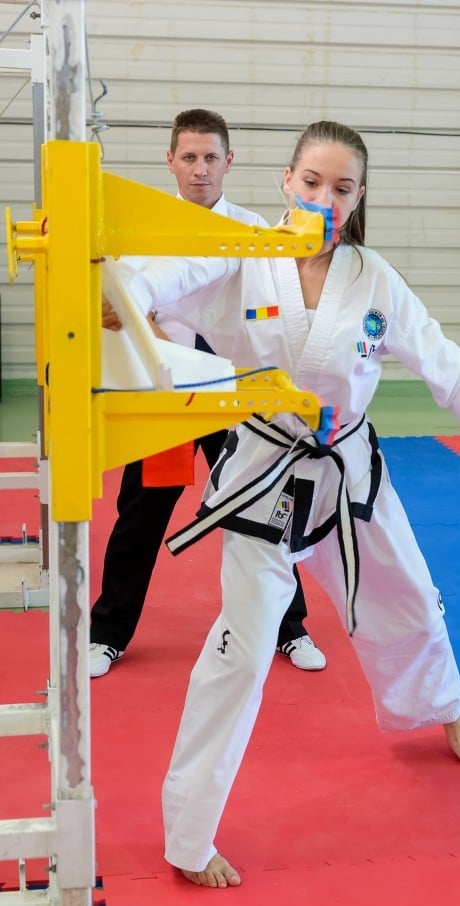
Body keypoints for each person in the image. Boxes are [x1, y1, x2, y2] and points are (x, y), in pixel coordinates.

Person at [116, 120, 460, 888]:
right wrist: (124, 300)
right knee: (242, 653)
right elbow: (161, 274)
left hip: (349, 475)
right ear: (285, 181)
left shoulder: (372, 277)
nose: (324, 198)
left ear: (359, 197)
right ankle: (189, 834)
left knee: (409, 598)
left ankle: (440, 705)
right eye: (311, 182)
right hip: (261, 478)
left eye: (342, 187)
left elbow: (443, 358)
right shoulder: (239, 251)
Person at [90, 109, 326, 678]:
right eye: (189, 157)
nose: (200, 169)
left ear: (229, 162)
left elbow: (279, 306)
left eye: (210, 157)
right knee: (139, 517)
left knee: (264, 509)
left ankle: (289, 628)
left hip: (233, 393)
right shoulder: (138, 232)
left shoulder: (251, 231)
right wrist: (117, 312)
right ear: (170, 161)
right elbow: (109, 310)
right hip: (167, 396)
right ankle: (107, 634)